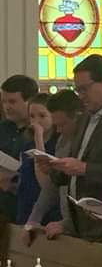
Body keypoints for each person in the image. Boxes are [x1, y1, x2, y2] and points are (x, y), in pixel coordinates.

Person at [38, 54, 102, 242]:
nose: (80, 95)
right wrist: (55, 168)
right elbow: (75, 165)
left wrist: (85, 168)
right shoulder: (86, 116)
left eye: (84, 89)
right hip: (80, 222)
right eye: (77, 90)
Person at [25, 89, 83, 240]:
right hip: (66, 220)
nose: (58, 130)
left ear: (77, 117)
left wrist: (67, 224)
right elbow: (52, 183)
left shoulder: (88, 143)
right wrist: (34, 219)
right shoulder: (62, 141)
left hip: (84, 224)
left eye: (62, 125)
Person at [15, 93, 59, 225]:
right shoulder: (27, 145)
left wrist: (39, 138)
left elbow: (45, 182)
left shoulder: (58, 145)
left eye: (42, 116)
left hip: (48, 211)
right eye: (32, 116)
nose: (36, 121)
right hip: (26, 206)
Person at [0, 74, 38, 222]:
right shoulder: (2, 128)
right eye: (4, 102)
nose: (7, 107)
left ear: (29, 101)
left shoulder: (39, 132)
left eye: (12, 101)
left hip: (26, 209)